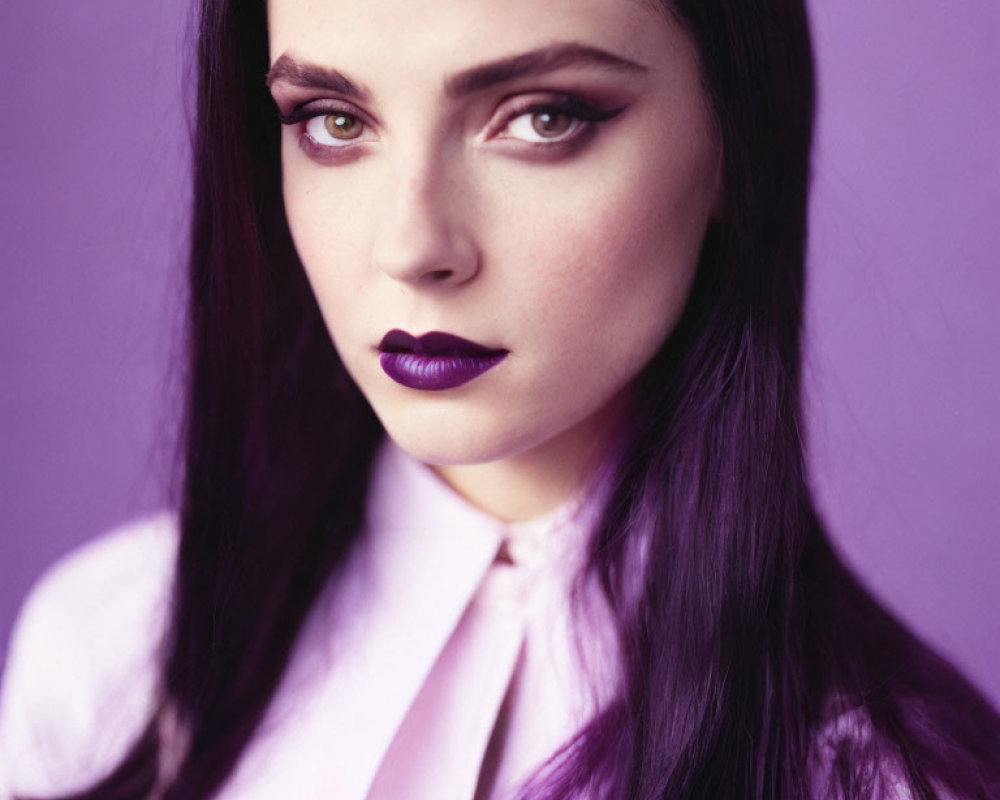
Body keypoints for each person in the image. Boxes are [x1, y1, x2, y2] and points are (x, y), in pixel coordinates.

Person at [1, 0, 998, 798]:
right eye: (333, 120)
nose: (412, 245)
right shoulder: (114, 654)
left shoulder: (882, 773)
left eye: (541, 116)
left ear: (737, 138)